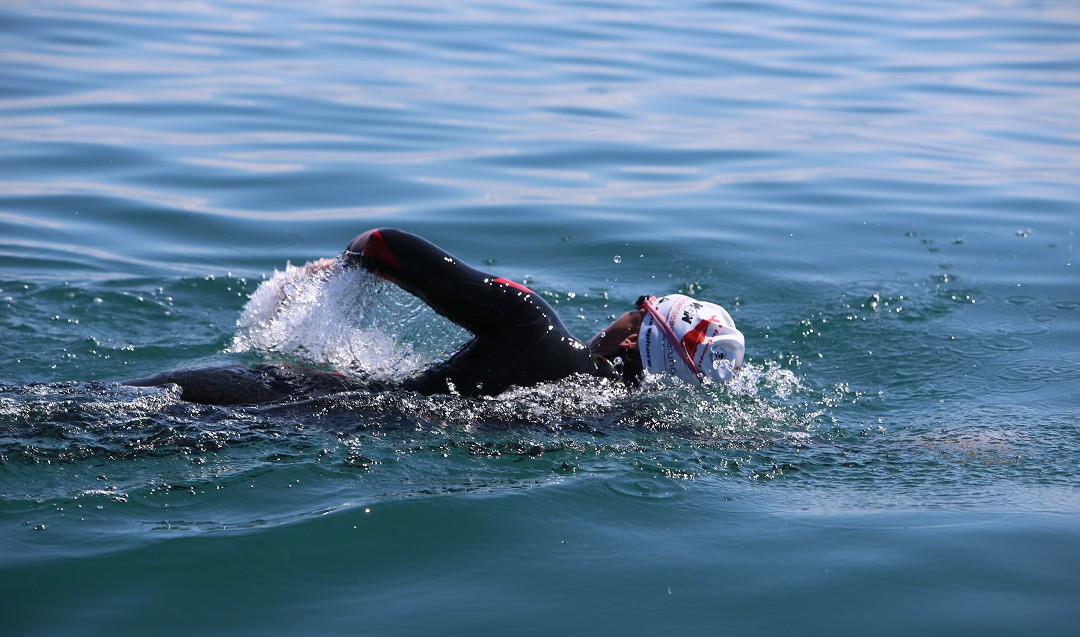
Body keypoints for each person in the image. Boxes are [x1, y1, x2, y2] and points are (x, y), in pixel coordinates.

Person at [125, 228, 744, 404]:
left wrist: (330, 276)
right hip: (354, 440)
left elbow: (385, 245)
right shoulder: (617, 429)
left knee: (68, 412)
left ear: (637, 332)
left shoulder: (532, 327)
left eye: (637, 310)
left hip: (290, 401)